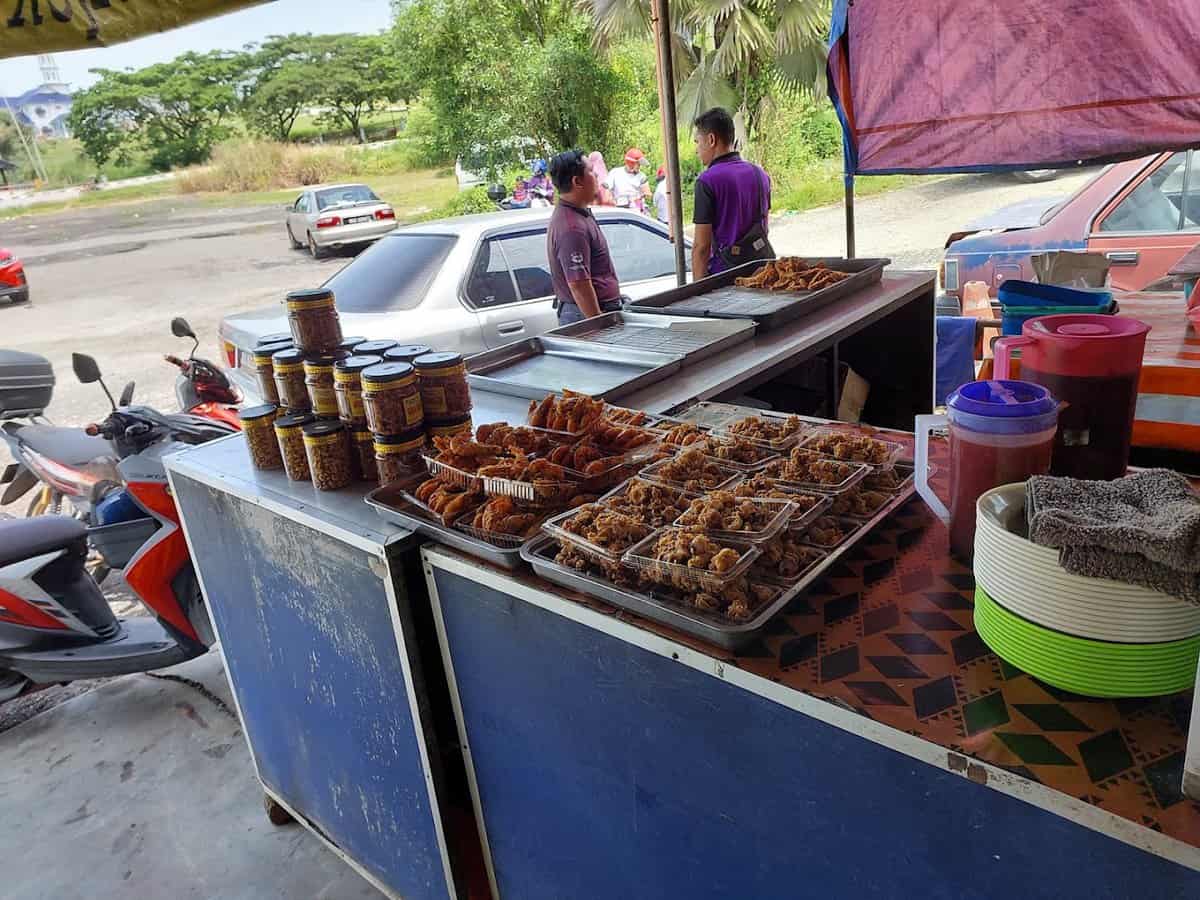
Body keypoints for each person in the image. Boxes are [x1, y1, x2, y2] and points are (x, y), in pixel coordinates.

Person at [691, 107, 774, 279]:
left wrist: (696, 289)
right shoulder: (761, 174)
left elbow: (702, 247)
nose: (696, 150)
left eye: (697, 142)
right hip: (764, 274)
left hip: (726, 279)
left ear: (711, 139)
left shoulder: (707, 181)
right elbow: (764, 227)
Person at [546, 149, 624, 325]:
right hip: (585, 315)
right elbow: (579, 285)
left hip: (597, 310)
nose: (596, 175)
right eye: (591, 171)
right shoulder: (571, 227)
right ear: (577, 181)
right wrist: (599, 323)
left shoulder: (579, 214)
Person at [605, 148, 651, 212]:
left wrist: (642, 196)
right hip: (618, 208)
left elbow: (647, 193)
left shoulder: (642, 176)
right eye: (638, 164)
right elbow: (606, 189)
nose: (639, 166)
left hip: (636, 209)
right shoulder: (615, 173)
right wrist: (610, 201)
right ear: (631, 163)